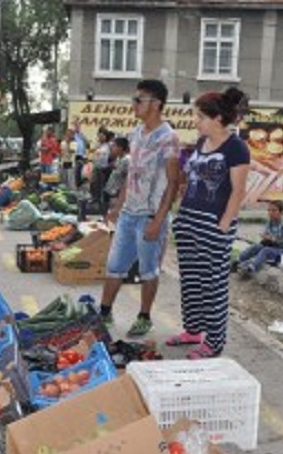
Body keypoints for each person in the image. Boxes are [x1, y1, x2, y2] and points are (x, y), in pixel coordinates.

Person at [170, 87, 249, 359]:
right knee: (191, 280)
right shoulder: (201, 144)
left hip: (214, 226)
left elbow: (238, 191)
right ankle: (193, 330)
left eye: (200, 116)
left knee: (213, 284)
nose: (196, 121)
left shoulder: (236, 147)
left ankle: (214, 342)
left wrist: (224, 225)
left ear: (217, 119)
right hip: (189, 220)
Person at [98, 79, 180, 337]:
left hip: (149, 215)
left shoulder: (168, 138)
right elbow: (131, 176)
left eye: (138, 100)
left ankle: (144, 316)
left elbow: (174, 181)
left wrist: (159, 219)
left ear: (156, 105)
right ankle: (104, 313)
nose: (133, 104)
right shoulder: (135, 133)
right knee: (114, 266)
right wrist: (118, 206)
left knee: (148, 270)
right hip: (128, 214)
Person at [236, 200, 283, 277]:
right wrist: (265, 237)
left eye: (274, 210)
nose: (270, 213)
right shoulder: (269, 222)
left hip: (282, 251)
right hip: (271, 247)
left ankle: (251, 269)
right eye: (269, 210)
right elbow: (266, 237)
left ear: (281, 212)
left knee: (265, 251)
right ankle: (238, 260)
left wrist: (272, 239)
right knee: (257, 246)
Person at [102, 136, 129, 214]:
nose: (112, 149)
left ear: (120, 148)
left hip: (118, 194)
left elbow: (128, 178)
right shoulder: (118, 159)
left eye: (114, 146)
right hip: (112, 193)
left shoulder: (127, 160)